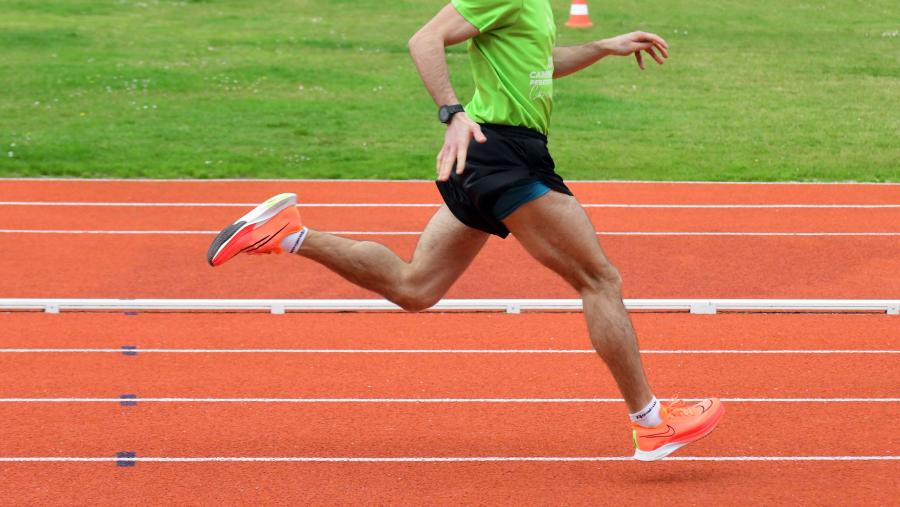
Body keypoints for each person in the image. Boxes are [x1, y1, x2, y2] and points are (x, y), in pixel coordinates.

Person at [206, 0, 723, 461]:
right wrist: (451, 113)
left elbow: (537, 65)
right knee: (599, 280)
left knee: (416, 288)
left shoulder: (534, 5)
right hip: (500, 152)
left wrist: (601, 47)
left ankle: (288, 233)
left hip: (485, 157)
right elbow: (424, 38)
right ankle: (652, 422)